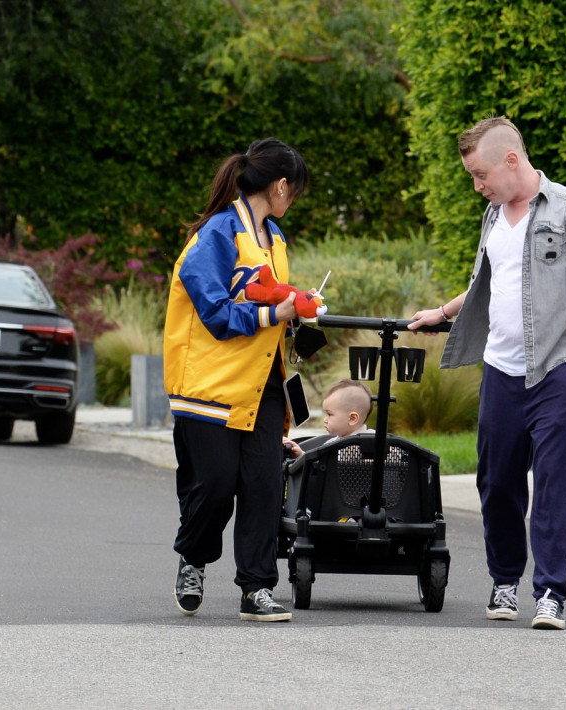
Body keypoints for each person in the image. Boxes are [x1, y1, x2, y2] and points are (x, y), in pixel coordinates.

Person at [409, 116, 566, 630]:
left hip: (556, 373)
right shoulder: (493, 216)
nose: (477, 186)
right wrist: (442, 312)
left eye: (480, 175)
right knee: (497, 483)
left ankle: (550, 595)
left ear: (511, 160)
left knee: (553, 487)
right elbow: (489, 278)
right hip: (500, 372)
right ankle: (505, 582)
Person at [163, 137, 310, 622]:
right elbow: (214, 313)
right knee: (215, 484)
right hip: (207, 385)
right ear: (281, 185)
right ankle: (194, 557)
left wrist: (297, 313)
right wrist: (274, 313)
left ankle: (256, 588)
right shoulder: (216, 235)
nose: (296, 199)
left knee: (263, 483)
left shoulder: (277, 239)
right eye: (297, 190)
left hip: (262, 383)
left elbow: (272, 304)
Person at [283, 379, 374, 458]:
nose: (325, 420)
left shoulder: (374, 442)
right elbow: (317, 465)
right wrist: (301, 455)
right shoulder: (331, 443)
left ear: (352, 419)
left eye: (329, 414)